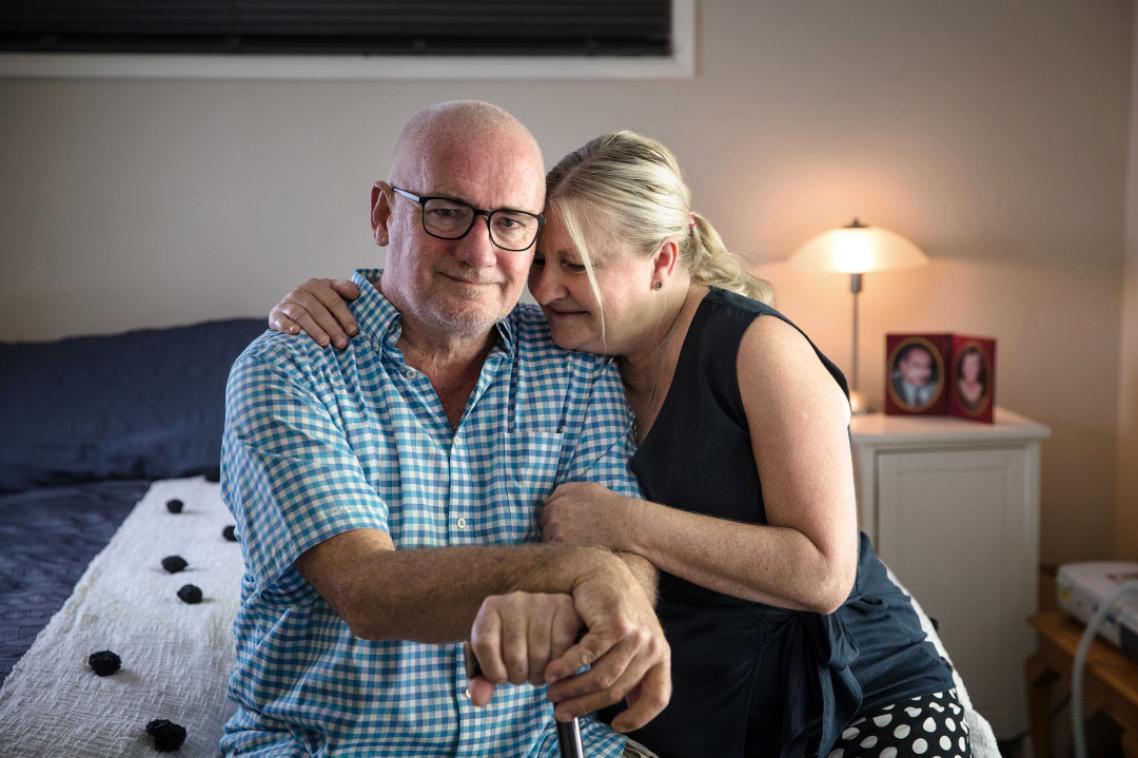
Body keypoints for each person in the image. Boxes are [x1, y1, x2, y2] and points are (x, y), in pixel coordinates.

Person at [272, 130, 971, 758]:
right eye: (541, 260)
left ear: (664, 260)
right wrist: (326, 300)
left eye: (575, 267)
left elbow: (824, 574)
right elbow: (445, 296)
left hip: (856, 694)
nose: (543, 289)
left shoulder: (759, 350)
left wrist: (618, 523)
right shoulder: (582, 345)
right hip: (715, 705)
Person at [221, 101, 671, 758]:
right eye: (446, 212)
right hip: (335, 747)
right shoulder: (290, 368)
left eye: (511, 222)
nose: (478, 251)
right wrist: (581, 572)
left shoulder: (575, 365)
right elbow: (366, 589)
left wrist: (608, 586)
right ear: (383, 213)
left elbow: (624, 552)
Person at [891, 343, 939, 408]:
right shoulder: (892, 389)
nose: (924, 372)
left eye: (927, 366)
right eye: (917, 365)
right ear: (903, 366)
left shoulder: (935, 389)